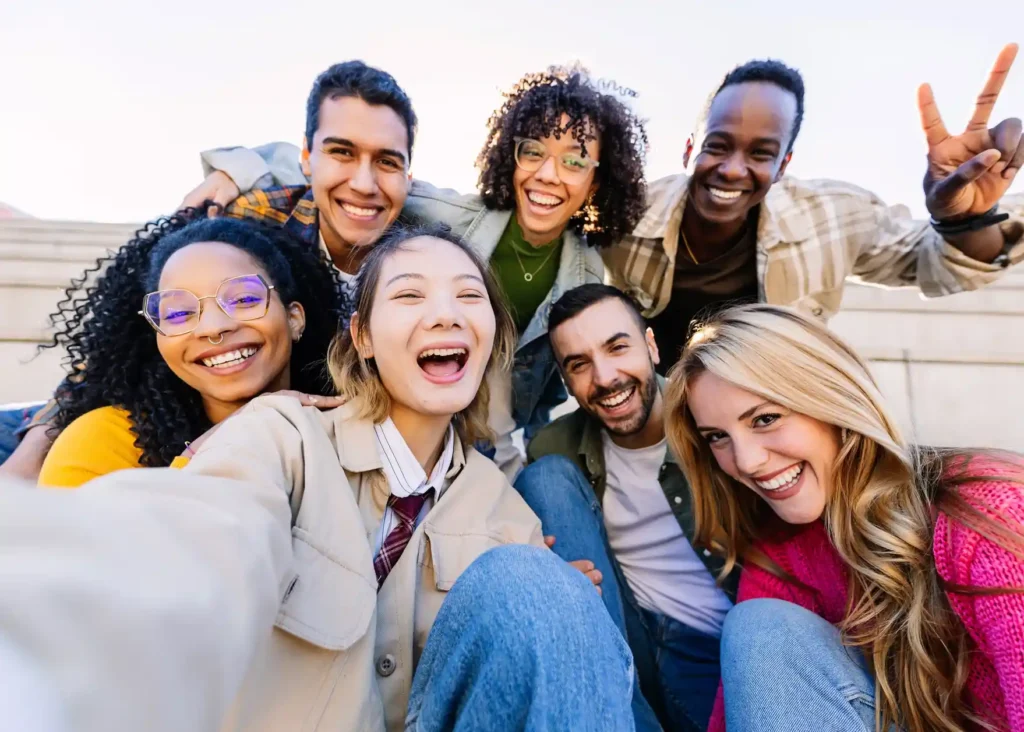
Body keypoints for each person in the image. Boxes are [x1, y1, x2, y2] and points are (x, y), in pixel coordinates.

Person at [165, 222, 631, 730]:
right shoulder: (284, 437)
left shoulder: (504, 508)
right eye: (410, 294)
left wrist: (554, 609)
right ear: (361, 336)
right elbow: (199, 534)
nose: (445, 314)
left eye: (469, 296)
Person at [179, 62, 649, 475]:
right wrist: (236, 168)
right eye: (533, 152)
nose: (549, 174)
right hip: (410, 414)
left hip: (491, 435)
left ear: (596, 179)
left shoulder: (586, 274)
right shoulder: (447, 215)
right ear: (511, 155)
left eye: (574, 161)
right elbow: (343, 163)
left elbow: (551, 385)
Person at [664, 302, 1024, 732]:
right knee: (759, 628)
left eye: (765, 419)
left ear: (829, 400)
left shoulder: (987, 509)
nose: (747, 461)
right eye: (718, 437)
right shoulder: (784, 557)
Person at [603, 47, 1024, 372]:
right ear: (689, 150)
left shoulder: (833, 216)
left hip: (763, 432)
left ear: (783, 165)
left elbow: (934, 265)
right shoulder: (626, 213)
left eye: (761, 154)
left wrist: (964, 218)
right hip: (647, 426)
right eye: (717, 147)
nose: (732, 170)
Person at [518, 283, 736, 732]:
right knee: (545, 478)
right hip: (621, 632)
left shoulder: (713, 414)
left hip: (714, 640)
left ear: (652, 346)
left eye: (618, 348)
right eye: (579, 365)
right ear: (565, 380)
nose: (605, 378)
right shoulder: (553, 447)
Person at [36, 209, 344, 487]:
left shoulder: (348, 437)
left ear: (294, 319)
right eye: (179, 313)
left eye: (244, 300)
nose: (213, 327)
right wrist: (230, 437)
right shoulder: (101, 442)